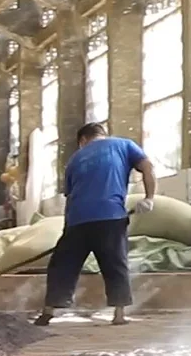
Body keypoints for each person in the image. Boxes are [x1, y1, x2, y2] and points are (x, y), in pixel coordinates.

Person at [37, 121, 157, 328]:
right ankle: (119, 315)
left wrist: (69, 230)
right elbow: (147, 167)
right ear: (103, 134)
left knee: (62, 265)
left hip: (77, 219)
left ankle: (48, 312)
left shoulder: (74, 159)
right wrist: (149, 197)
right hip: (110, 215)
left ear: (82, 140)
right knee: (115, 264)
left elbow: (70, 196)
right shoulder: (124, 145)